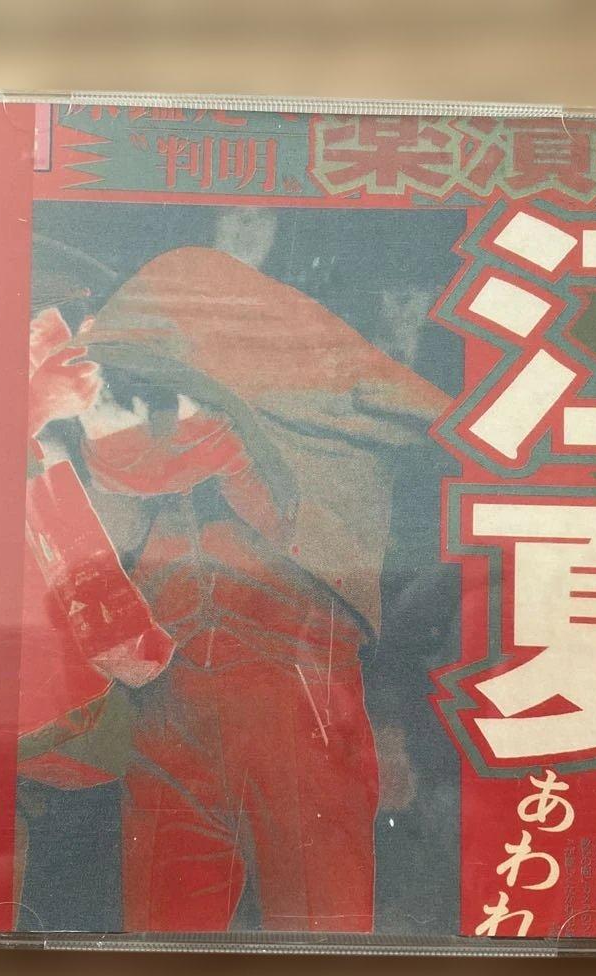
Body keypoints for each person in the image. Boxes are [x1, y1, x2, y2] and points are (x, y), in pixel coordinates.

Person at [23, 244, 451, 933]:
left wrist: (215, 451)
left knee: (322, 932)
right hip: (167, 718)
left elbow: (353, 535)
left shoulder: (299, 435)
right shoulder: (91, 436)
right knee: (162, 942)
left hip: (295, 704)